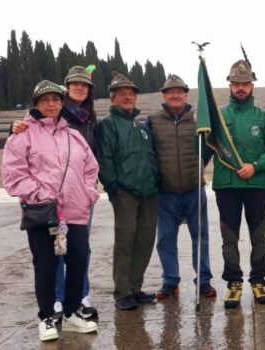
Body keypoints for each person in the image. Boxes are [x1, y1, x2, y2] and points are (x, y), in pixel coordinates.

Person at [2, 80, 99, 341]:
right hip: (42, 213)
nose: (51, 104)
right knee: (45, 265)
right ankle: (46, 316)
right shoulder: (22, 135)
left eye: (55, 99)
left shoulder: (74, 135)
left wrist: (89, 193)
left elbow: (91, 167)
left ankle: (70, 312)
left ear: (61, 102)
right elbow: (13, 176)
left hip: (76, 212)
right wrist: (43, 196)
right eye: (45, 100)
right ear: (36, 104)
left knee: (78, 261)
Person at [201, 59, 265, 308]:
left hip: (256, 185)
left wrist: (256, 166)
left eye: (245, 83)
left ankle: (258, 280)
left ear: (252, 85)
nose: (241, 88)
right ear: (229, 84)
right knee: (229, 238)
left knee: (258, 236)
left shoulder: (264, 118)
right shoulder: (218, 117)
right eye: (236, 83)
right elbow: (206, 148)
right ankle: (234, 283)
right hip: (226, 186)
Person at [146, 74, 216, 300]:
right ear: (164, 95)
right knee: (166, 238)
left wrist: (197, 169)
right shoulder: (152, 120)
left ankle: (203, 280)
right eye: (170, 91)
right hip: (165, 191)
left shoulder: (198, 119)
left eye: (180, 91)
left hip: (193, 188)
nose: (175, 95)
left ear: (186, 94)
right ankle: (170, 280)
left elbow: (209, 147)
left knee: (200, 236)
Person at [96, 73, 159, 310]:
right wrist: (114, 189)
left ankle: (135, 287)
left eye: (131, 93)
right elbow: (105, 159)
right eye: (122, 93)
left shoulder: (141, 126)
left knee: (145, 240)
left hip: (148, 192)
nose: (128, 96)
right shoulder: (108, 124)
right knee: (125, 240)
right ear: (112, 99)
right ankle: (122, 291)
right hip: (126, 193)